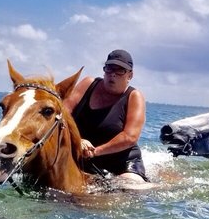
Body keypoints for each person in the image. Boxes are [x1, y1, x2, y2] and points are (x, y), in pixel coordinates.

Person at [63, 49, 149, 184]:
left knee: (129, 187)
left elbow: (130, 137)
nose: (112, 75)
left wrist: (95, 152)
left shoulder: (134, 97)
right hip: (80, 154)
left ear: (130, 75)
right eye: (109, 69)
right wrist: (77, 140)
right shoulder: (88, 84)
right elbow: (62, 114)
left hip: (122, 163)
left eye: (120, 70)